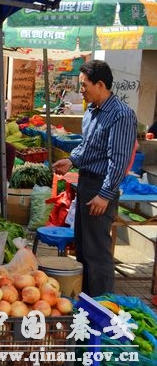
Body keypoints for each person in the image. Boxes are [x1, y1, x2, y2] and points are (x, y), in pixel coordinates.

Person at [53, 60, 137, 297]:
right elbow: (88, 146)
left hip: (101, 188)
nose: (81, 90)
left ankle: (103, 305)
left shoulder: (121, 115)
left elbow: (118, 160)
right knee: (83, 248)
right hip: (86, 183)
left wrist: (105, 194)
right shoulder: (91, 111)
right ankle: (87, 301)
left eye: (84, 85)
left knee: (97, 252)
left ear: (100, 85)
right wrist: (71, 160)